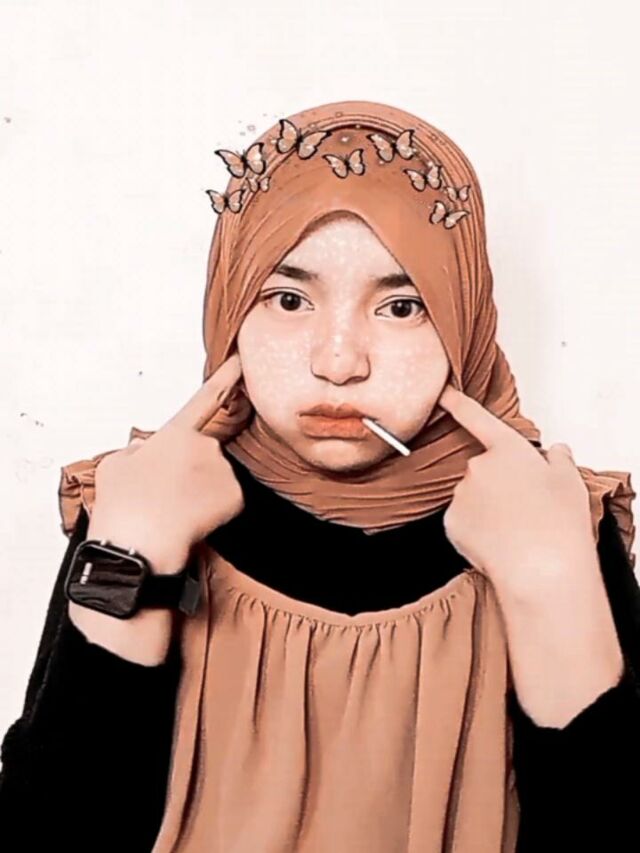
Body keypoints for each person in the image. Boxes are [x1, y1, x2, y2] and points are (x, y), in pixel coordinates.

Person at [1, 99, 639, 852]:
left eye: (402, 306)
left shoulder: (552, 516)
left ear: (463, 315)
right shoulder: (145, 497)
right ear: (231, 308)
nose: (339, 361)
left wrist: (551, 583)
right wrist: (131, 556)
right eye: (288, 299)